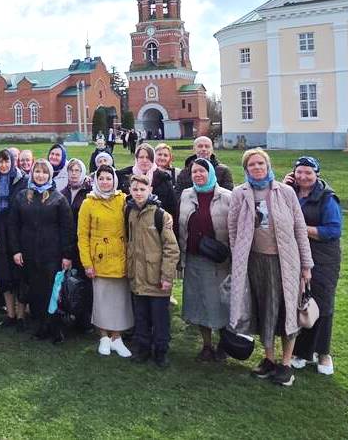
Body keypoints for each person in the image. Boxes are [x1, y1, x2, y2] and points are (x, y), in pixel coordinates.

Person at [228, 148, 313, 387]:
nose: (256, 168)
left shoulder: (284, 192)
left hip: (284, 262)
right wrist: (238, 260)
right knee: (265, 309)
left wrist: (306, 264)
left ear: (268, 166)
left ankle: (286, 364)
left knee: (287, 311)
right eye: (251, 165)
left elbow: (299, 228)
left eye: (260, 164)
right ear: (246, 169)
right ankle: (269, 359)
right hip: (255, 262)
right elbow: (233, 230)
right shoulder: (240, 194)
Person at [287, 156, 342, 376]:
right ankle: (302, 352)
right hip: (298, 255)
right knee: (302, 301)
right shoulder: (292, 192)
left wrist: (302, 228)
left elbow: (333, 230)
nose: (303, 176)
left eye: (308, 173)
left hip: (323, 258)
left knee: (323, 304)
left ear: (317, 174)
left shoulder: (327, 198)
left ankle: (323, 353)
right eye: (299, 172)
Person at [8, 159, 73, 344]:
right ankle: (41, 326)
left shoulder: (58, 198)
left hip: (52, 254)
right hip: (28, 253)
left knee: (52, 292)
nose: (40, 175)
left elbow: (67, 229)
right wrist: (16, 250)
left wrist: (67, 255)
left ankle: (55, 327)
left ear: (50, 175)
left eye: (44, 172)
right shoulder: (22, 196)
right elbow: (13, 225)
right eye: (37, 172)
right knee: (35, 292)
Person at [178, 158, 233, 362]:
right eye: (194, 172)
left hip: (218, 261)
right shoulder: (186, 195)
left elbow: (233, 229)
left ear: (210, 173)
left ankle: (223, 345)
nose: (198, 175)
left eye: (202, 171)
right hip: (194, 259)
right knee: (199, 302)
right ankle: (206, 345)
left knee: (220, 303)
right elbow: (181, 226)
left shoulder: (227, 197)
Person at [78, 165, 133, 357]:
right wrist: (87, 263)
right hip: (99, 258)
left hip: (120, 257)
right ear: (96, 180)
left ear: (114, 180)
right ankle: (103, 336)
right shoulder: (89, 203)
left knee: (119, 300)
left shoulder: (123, 200)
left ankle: (117, 338)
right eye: (101, 178)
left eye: (108, 178)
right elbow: (83, 235)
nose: (105, 182)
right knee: (101, 300)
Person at [125, 174, 180, 368]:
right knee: (141, 316)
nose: (138, 193)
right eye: (135, 189)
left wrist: (166, 276)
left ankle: (161, 350)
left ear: (150, 191)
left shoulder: (160, 215)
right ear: (130, 191)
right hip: (137, 276)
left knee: (160, 318)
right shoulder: (129, 212)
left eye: (142, 189)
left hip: (156, 277)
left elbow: (171, 248)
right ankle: (143, 348)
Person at [0, 149, 26, 330]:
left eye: (6, 161)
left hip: (18, 234)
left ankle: (21, 316)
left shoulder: (22, 181)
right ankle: (10, 314)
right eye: (0, 162)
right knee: (4, 277)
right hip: (0, 234)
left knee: (20, 277)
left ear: (12, 162)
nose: (3, 165)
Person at [117, 143, 178, 222]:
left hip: (157, 226)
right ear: (136, 158)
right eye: (141, 157)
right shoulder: (124, 176)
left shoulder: (163, 178)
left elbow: (172, 207)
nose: (145, 160)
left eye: (148, 157)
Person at [174, 136, 234, 200]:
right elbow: (179, 197)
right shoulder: (184, 173)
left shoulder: (223, 171)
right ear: (194, 149)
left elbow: (228, 196)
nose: (204, 149)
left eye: (207, 146)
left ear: (212, 150)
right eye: (200, 146)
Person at [60, 158, 90, 271]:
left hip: (82, 242)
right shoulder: (62, 193)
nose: (74, 173)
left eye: (77, 170)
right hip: (66, 242)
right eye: (71, 170)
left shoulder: (89, 193)